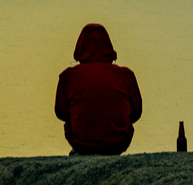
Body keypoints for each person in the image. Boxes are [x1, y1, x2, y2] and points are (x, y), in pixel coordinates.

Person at [55, 23, 142, 156]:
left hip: (81, 144)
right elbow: (136, 113)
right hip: (118, 143)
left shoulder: (68, 77)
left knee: (69, 122)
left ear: (80, 47)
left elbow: (61, 113)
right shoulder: (126, 76)